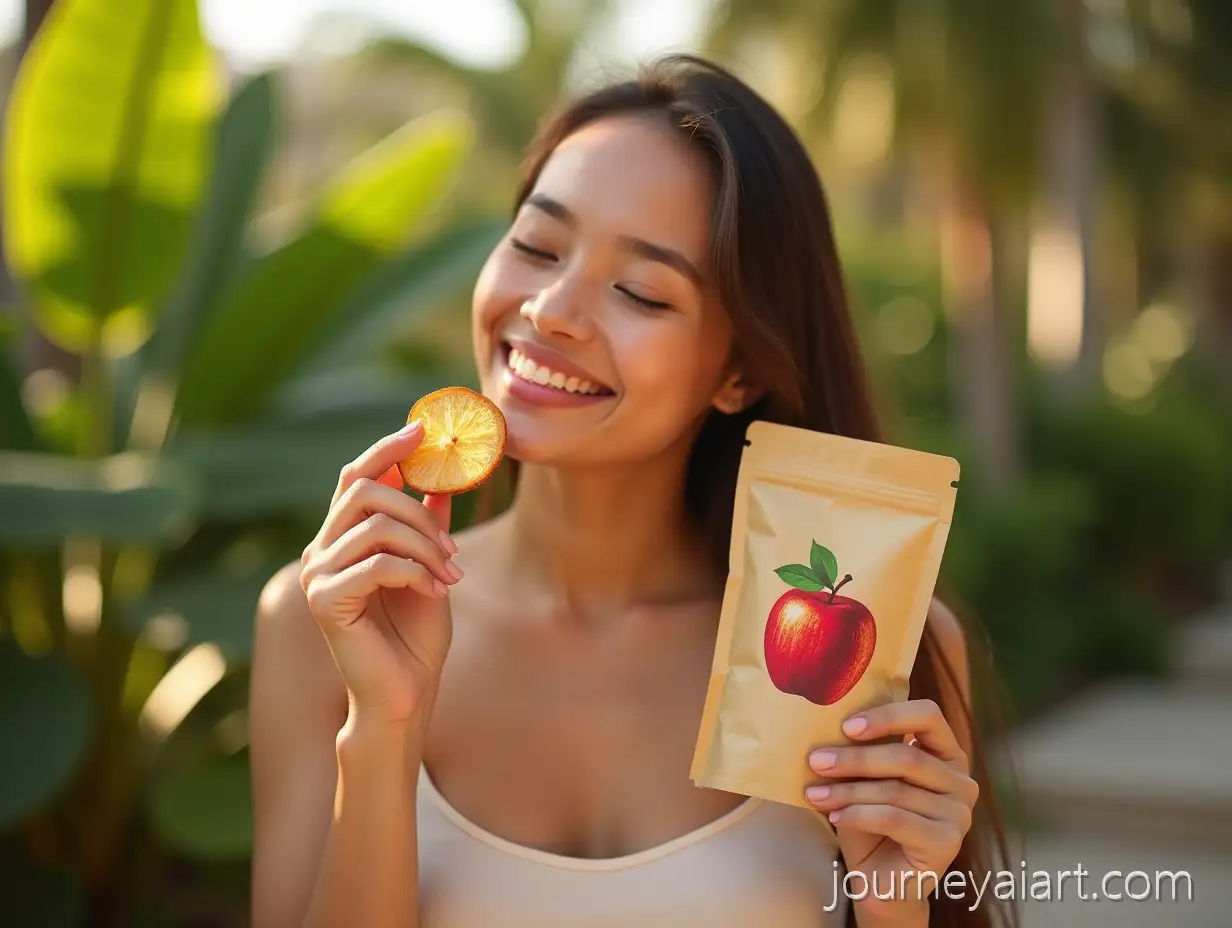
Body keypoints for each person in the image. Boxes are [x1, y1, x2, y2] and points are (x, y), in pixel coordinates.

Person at [249, 54, 1018, 928]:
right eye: (536, 246)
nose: (551, 310)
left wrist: (894, 909)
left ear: (737, 372)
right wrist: (384, 732)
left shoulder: (874, 650)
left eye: (641, 292)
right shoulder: (331, 624)